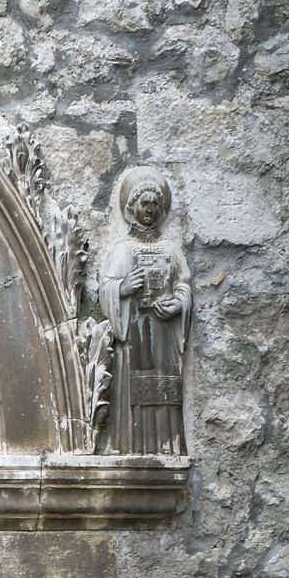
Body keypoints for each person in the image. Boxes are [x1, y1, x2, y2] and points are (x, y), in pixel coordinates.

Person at [99, 166, 191, 454]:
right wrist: (123, 288)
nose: (150, 209)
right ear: (132, 206)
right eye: (144, 203)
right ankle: (131, 447)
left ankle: (169, 445)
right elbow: (106, 287)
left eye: (155, 204)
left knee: (164, 393)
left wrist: (178, 303)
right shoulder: (122, 250)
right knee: (134, 397)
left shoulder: (170, 249)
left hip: (162, 336)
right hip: (135, 338)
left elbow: (183, 284)